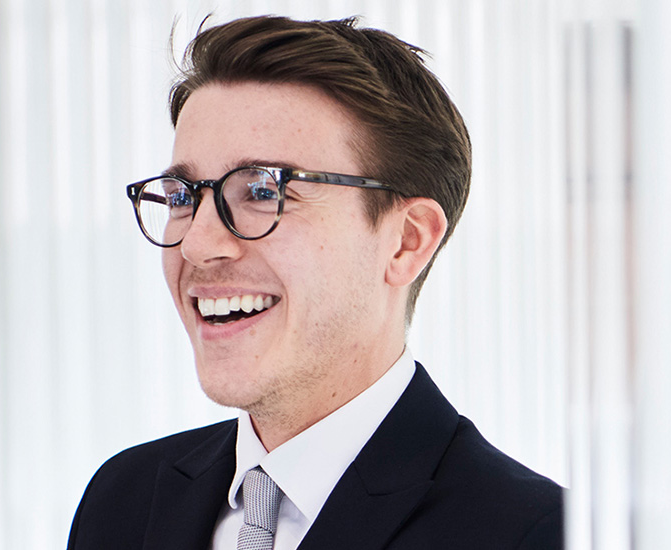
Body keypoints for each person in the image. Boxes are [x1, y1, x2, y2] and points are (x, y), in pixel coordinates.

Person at [67, 15, 563, 549]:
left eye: (262, 190)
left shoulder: (532, 532)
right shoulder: (123, 500)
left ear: (406, 242)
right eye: (185, 196)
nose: (198, 246)